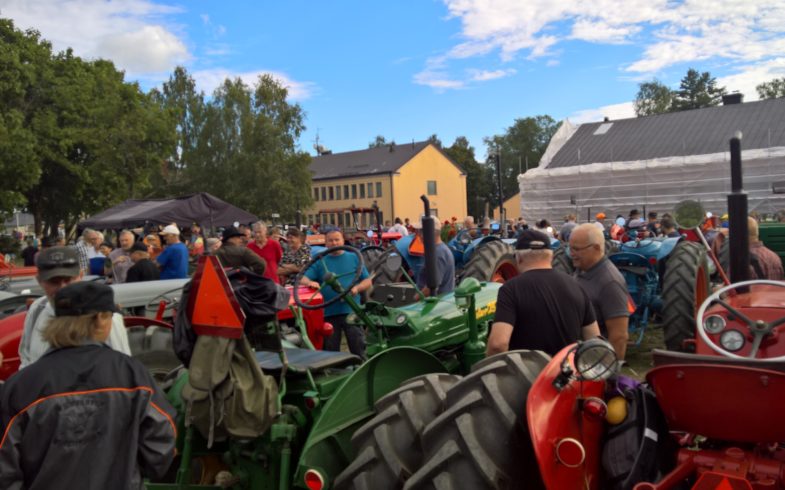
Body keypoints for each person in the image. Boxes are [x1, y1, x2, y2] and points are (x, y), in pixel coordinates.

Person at [1, 282, 177, 489]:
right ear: (101, 319)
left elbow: (5, 466)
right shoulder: (132, 374)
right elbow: (161, 442)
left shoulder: (21, 385)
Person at [487, 230, 600, 357]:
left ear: (518, 258)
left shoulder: (510, 289)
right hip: (566, 372)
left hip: (527, 375)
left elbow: (498, 345)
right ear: (551, 257)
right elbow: (594, 340)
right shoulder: (576, 285)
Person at [18, 247, 131, 368]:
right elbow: (26, 355)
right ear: (39, 281)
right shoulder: (37, 308)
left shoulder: (104, 317)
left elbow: (121, 367)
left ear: (81, 275)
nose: (62, 288)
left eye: (68, 280)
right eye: (54, 281)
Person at [300, 228, 372, 357]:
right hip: (329, 312)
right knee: (330, 350)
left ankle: (361, 365)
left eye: (337, 240)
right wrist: (309, 283)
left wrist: (356, 289)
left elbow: (367, 281)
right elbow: (303, 278)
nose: (334, 243)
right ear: (326, 243)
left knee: (358, 345)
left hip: (351, 310)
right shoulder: (320, 260)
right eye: (330, 240)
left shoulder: (354, 257)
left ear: (343, 240)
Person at [569, 224, 631, 360]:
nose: (571, 253)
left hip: (594, 361)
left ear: (596, 248)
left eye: (576, 249)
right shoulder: (582, 270)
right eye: (570, 248)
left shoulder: (610, 283)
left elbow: (619, 336)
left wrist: (608, 373)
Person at [415, 218, 455, 296]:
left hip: (436, 304)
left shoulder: (437, 254)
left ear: (430, 232)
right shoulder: (440, 250)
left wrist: (415, 300)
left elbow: (431, 288)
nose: (419, 235)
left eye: (421, 231)